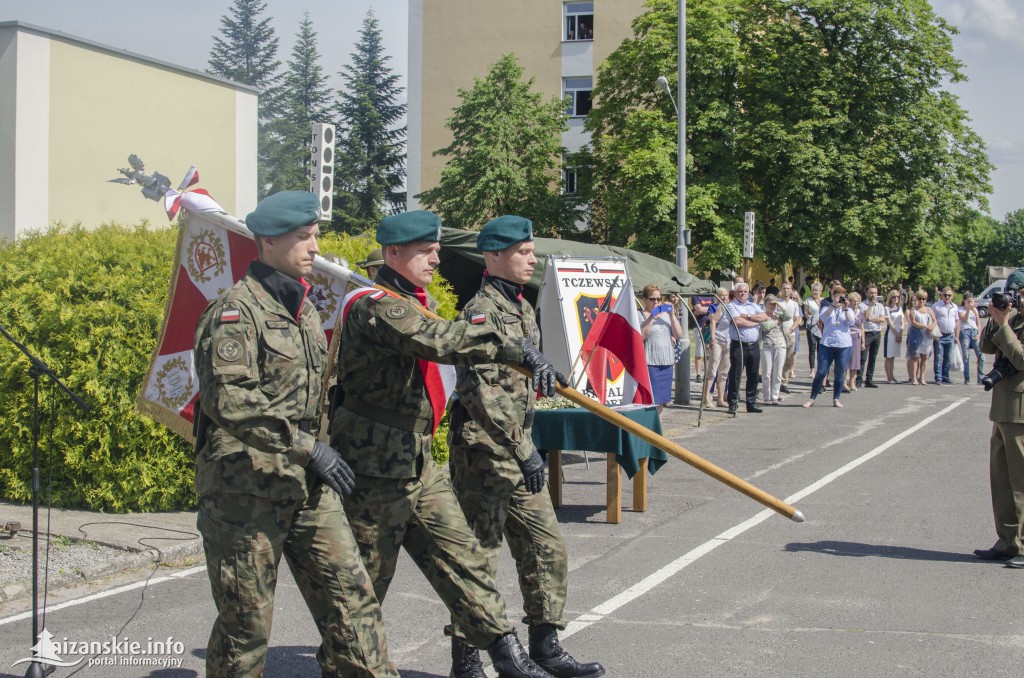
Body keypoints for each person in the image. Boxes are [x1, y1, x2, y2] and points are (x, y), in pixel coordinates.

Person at [329, 209, 562, 678]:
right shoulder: (378, 305)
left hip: (415, 461)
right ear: (394, 254)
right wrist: (513, 346)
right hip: (375, 469)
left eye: (437, 248)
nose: (437, 258)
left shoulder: (411, 299)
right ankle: (342, 669)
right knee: (367, 587)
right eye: (426, 250)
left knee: (467, 561)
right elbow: (441, 341)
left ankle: (507, 655)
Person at [192, 191, 396, 678]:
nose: (314, 247)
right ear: (267, 241)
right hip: (245, 491)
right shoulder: (235, 315)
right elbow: (229, 403)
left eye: (315, 236)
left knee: (355, 608)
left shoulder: (304, 309)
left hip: (306, 486)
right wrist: (310, 449)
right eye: (303, 237)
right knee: (246, 630)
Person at [446, 215, 605, 678]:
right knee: (480, 556)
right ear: (494, 257)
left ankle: (545, 644)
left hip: (518, 449)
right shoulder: (480, 312)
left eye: (531, 250)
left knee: (545, 545)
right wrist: (523, 448)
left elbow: (516, 374)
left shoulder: (520, 306)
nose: (532, 258)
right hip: (486, 453)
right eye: (523, 252)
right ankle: (467, 659)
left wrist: (547, 375)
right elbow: (479, 392)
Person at [975, 271, 1024, 568]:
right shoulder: (1014, 317)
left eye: (1017, 291)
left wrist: (1004, 325)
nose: (1013, 296)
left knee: (1022, 482)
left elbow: (1021, 359)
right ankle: (1008, 542)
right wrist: (995, 318)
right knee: (1002, 481)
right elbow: (987, 348)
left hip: (1021, 412)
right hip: (1004, 409)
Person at [802, 285, 854, 408]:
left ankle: (836, 398)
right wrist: (832, 305)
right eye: (836, 296)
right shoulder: (826, 307)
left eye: (841, 297)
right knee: (821, 372)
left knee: (839, 372)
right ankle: (812, 398)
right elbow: (823, 318)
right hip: (827, 344)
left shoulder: (848, 309)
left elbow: (851, 322)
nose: (839, 299)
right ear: (832, 297)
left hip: (844, 345)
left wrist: (845, 308)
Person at [725, 282, 770, 414]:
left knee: (753, 375)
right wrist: (754, 322)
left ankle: (751, 402)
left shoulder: (753, 305)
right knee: (736, 374)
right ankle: (732, 403)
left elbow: (765, 316)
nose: (743, 294)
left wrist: (749, 317)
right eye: (740, 292)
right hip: (739, 345)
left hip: (754, 345)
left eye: (745, 291)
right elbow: (737, 322)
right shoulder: (732, 306)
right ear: (736, 293)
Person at [640, 284, 684, 413]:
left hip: (666, 361)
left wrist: (671, 314)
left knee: (661, 401)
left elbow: (678, 334)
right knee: (651, 400)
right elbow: (642, 334)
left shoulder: (666, 315)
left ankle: (658, 430)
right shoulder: (641, 315)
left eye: (659, 299)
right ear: (645, 299)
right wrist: (652, 317)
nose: (656, 302)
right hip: (650, 361)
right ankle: (648, 429)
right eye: (652, 299)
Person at [702, 288, 731, 408]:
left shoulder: (732, 308)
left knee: (724, 372)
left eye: (725, 295)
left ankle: (720, 398)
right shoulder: (721, 308)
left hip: (728, 342)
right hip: (718, 340)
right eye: (721, 295)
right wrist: (713, 338)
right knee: (712, 370)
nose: (724, 297)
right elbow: (713, 321)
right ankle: (706, 397)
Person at [759, 294, 790, 405]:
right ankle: (766, 396)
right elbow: (765, 326)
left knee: (777, 372)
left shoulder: (779, 314)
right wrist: (777, 322)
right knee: (767, 372)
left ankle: (775, 395)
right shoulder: (762, 315)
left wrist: (779, 304)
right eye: (770, 304)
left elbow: (788, 315)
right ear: (765, 304)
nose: (772, 306)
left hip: (780, 345)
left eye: (774, 304)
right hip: (766, 346)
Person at [905, 290, 936, 385]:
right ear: (916, 299)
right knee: (915, 357)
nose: (922, 300)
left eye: (924, 298)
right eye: (920, 298)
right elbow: (913, 322)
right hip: (916, 335)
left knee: (924, 357)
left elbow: (935, 320)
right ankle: (914, 378)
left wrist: (932, 326)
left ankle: (922, 377)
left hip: (927, 336)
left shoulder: (929, 309)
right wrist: (925, 326)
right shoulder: (913, 310)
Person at [932, 286, 960, 385]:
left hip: (950, 335)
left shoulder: (955, 307)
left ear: (952, 296)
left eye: (949, 295)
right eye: (945, 295)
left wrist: (956, 336)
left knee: (947, 357)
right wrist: (935, 334)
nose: (947, 297)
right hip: (940, 335)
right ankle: (938, 377)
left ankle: (945, 376)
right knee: (939, 357)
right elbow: (933, 320)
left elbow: (956, 322)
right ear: (942, 296)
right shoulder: (937, 306)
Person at [860, 285, 886, 388]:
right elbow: (865, 316)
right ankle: (858, 379)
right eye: (871, 293)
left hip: (877, 332)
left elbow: (882, 319)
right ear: (867, 293)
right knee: (863, 357)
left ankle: (869, 379)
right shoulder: (863, 305)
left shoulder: (880, 306)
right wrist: (871, 305)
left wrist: (871, 319)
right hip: (866, 332)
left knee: (873, 358)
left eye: (875, 293)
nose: (873, 295)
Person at [777, 282, 801, 393]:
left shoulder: (794, 304)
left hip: (790, 334)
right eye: (784, 288)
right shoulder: (777, 302)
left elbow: (797, 319)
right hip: (778, 334)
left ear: (791, 290)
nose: (786, 290)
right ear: (781, 289)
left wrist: (791, 330)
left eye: (788, 288)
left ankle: (784, 382)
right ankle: (776, 382)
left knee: (788, 359)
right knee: (778, 359)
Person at [959, 292, 984, 385]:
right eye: (968, 301)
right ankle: (967, 378)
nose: (970, 303)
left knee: (981, 355)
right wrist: (968, 310)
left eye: (971, 301)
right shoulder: (961, 310)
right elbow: (964, 320)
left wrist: (979, 333)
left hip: (974, 331)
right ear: (964, 301)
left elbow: (978, 322)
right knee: (966, 356)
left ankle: (980, 378)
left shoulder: (975, 310)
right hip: (965, 331)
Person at [844, 291, 865, 393]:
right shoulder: (846, 311)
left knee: (855, 361)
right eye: (853, 301)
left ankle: (852, 382)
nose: (856, 303)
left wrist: (863, 342)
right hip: (847, 336)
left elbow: (862, 328)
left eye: (857, 301)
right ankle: (843, 381)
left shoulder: (861, 313)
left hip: (857, 337)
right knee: (846, 360)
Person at [882, 289, 905, 383]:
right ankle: (888, 376)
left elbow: (902, 321)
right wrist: (896, 334)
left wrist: (900, 333)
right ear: (890, 298)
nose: (896, 299)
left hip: (898, 333)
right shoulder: (887, 308)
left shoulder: (900, 308)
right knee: (889, 356)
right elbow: (890, 323)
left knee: (893, 357)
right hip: (891, 334)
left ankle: (892, 375)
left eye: (898, 297)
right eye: (894, 297)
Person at [803, 282, 823, 373]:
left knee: (821, 348)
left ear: (821, 291)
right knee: (812, 348)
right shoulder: (808, 300)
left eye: (817, 290)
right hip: (812, 326)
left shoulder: (824, 301)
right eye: (814, 290)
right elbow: (806, 313)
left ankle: (820, 368)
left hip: (822, 326)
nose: (815, 292)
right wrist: (812, 318)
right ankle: (812, 369)